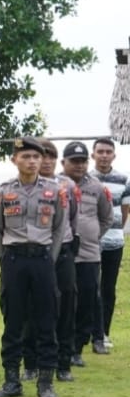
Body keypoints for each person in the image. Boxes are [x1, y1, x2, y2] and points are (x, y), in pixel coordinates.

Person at [0, 137, 65, 397]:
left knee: (46, 319)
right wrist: (6, 260)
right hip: (14, 260)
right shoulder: (2, 191)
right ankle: (11, 380)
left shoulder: (55, 191)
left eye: (36, 157)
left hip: (42, 259)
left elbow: (59, 228)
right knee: (13, 320)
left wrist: (49, 258)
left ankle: (46, 382)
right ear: (14, 160)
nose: (32, 162)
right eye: (26, 157)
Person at [21, 138, 78, 382]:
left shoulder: (67, 186)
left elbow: (72, 219)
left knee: (66, 306)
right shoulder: (22, 187)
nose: (46, 161)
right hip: (35, 253)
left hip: (62, 252)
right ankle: (30, 363)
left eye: (51, 156)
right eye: (41, 156)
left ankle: (63, 363)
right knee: (31, 308)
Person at [63, 142, 114, 370]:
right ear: (64, 162)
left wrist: (91, 235)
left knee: (86, 302)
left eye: (83, 161)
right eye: (74, 161)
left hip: (88, 255)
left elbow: (106, 219)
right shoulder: (55, 184)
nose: (79, 165)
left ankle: (77, 348)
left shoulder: (98, 187)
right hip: (62, 255)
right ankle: (61, 345)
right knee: (63, 302)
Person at [90, 137, 130, 352]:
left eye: (108, 152)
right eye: (100, 152)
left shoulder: (124, 180)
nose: (104, 156)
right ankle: (87, 331)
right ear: (93, 155)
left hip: (114, 242)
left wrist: (114, 230)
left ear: (114, 155)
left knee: (108, 288)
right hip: (89, 243)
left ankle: (103, 333)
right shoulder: (86, 179)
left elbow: (124, 211)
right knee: (88, 287)